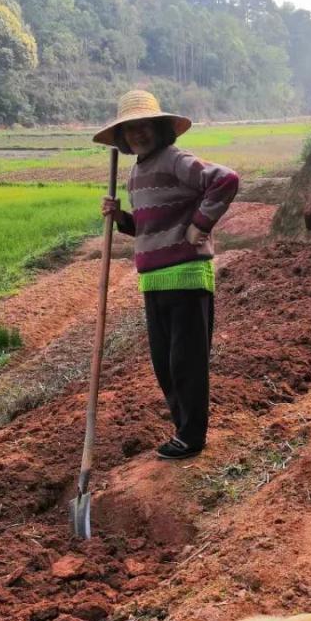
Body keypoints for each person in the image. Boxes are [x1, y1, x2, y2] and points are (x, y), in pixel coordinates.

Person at [94, 88, 239, 461]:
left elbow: (225, 180)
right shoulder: (136, 173)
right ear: (123, 139)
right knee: (164, 364)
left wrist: (199, 226)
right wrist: (121, 218)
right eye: (130, 129)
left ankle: (192, 436)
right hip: (154, 281)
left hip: (187, 277)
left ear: (159, 128)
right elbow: (146, 227)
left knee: (185, 362)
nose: (138, 133)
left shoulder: (174, 159)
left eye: (145, 126)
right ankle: (183, 429)